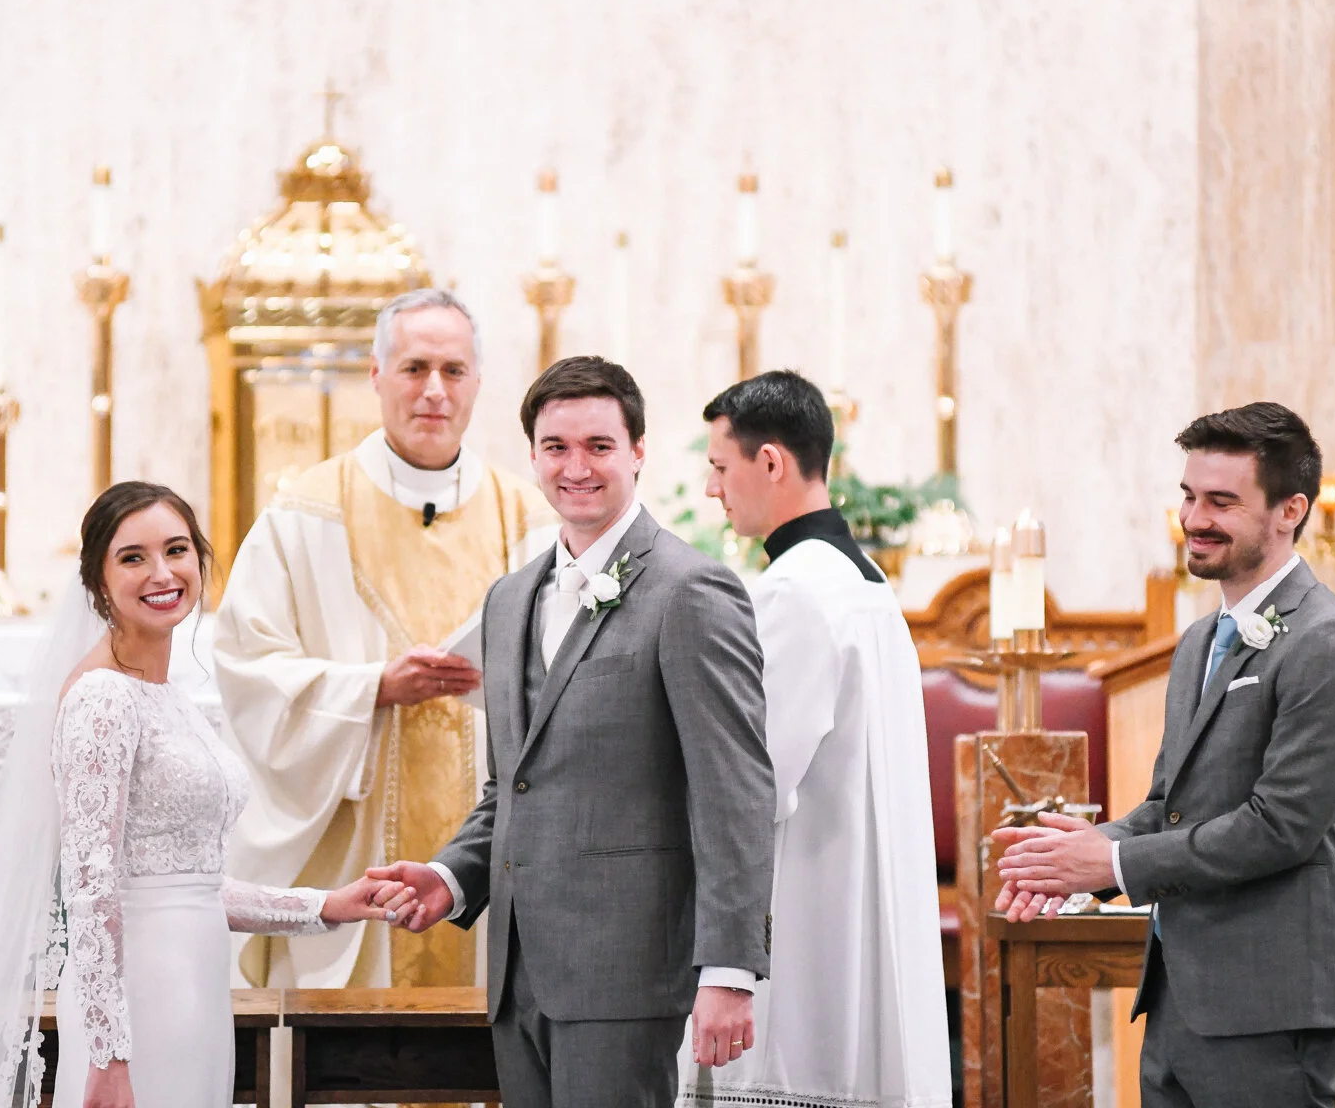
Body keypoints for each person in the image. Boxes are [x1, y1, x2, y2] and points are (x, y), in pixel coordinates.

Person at [0, 481, 415, 1108]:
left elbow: (192, 886)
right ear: (98, 582)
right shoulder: (101, 698)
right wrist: (107, 1054)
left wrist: (327, 906)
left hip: (195, 986)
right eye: (133, 557)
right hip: (139, 997)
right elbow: (90, 887)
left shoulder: (169, 698)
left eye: (177, 550)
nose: (162, 573)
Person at [370, 356, 777, 1108]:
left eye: (599, 446)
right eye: (556, 447)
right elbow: (514, 786)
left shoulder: (691, 590)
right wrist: (451, 877)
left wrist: (729, 971)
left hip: (628, 971)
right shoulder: (508, 600)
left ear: (639, 452)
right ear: (532, 455)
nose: (576, 467)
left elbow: (735, 793)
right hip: (516, 969)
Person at [994, 403, 1335, 1108]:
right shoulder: (1197, 643)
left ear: (1290, 510)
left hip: (1271, 1009)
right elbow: (1168, 807)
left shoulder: (1332, 643)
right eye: (1188, 495)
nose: (1194, 518)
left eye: (1221, 501)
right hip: (1178, 1001)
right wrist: (1076, 856)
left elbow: (1281, 827)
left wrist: (1114, 865)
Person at [213, 289, 555, 995]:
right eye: (414, 368)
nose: (434, 390)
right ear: (376, 375)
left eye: (453, 371)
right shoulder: (303, 513)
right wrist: (372, 688)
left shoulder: (529, 518)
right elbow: (249, 666)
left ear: (478, 383)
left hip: (494, 857)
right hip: (351, 856)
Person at [685, 370, 952, 1108]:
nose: (712, 488)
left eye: (719, 466)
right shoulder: (861, 581)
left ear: (770, 461)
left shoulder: (793, 591)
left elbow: (754, 781)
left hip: (806, 920)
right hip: (858, 907)